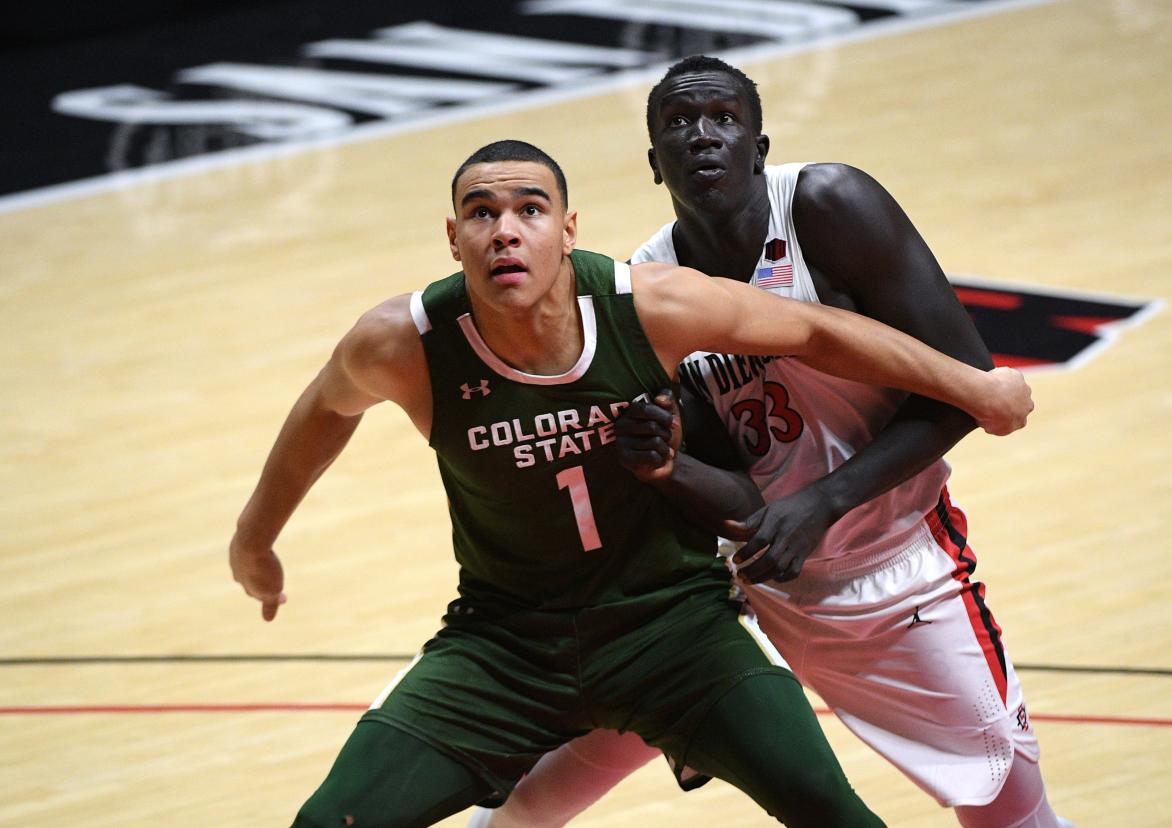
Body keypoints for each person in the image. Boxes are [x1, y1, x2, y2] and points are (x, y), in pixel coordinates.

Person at [229, 138, 1032, 828]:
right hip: (504, 643)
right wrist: (254, 541)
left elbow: (819, 330)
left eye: (530, 210)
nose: (505, 231)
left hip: (671, 630)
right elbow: (324, 411)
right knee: (329, 820)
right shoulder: (405, 341)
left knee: (832, 811)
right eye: (481, 213)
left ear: (568, 229)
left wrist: (973, 385)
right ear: (453, 238)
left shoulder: (648, 306)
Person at [470, 58, 1073, 828]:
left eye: (723, 118)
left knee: (1010, 811)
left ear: (759, 144)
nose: (702, 136)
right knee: (548, 784)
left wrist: (822, 502)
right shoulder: (649, 286)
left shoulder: (828, 205)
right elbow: (740, 496)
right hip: (753, 579)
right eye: (678, 126)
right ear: (654, 164)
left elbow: (964, 386)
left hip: (898, 570)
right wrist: (666, 466)